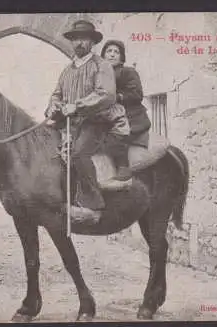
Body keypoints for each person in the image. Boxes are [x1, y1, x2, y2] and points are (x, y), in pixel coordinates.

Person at [45, 20, 131, 222]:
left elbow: (106, 95)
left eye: (84, 39)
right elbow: (56, 94)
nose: (79, 43)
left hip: (96, 121)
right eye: (75, 39)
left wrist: (77, 106)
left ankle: (94, 204)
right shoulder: (67, 70)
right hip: (70, 124)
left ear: (92, 42)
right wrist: (54, 106)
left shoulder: (102, 66)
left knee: (78, 155)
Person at [101, 39, 151, 140]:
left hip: (131, 118)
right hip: (107, 117)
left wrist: (117, 97)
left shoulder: (128, 72)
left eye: (116, 52)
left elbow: (137, 94)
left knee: (115, 143)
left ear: (121, 57)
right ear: (103, 56)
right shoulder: (98, 75)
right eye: (109, 51)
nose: (112, 54)